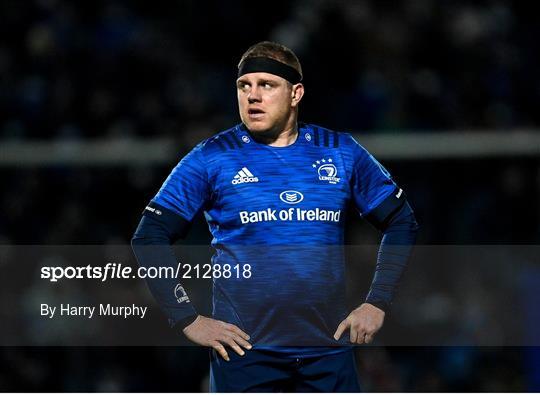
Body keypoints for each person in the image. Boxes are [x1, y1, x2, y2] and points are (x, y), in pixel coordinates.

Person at [132, 41, 418, 392]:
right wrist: (186, 319)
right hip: (245, 356)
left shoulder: (339, 151)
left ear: (295, 93)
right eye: (244, 85)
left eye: (266, 85)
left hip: (327, 352)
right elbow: (149, 237)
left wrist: (377, 302)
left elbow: (401, 221)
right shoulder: (211, 158)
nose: (252, 95)